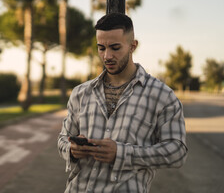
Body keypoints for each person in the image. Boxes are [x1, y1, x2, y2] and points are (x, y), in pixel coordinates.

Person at [58, 13, 188, 193]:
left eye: (115, 47)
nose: (107, 56)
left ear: (133, 46)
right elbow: (63, 138)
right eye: (101, 48)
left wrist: (122, 154)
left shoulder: (162, 96)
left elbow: (177, 152)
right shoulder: (80, 93)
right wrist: (72, 150)